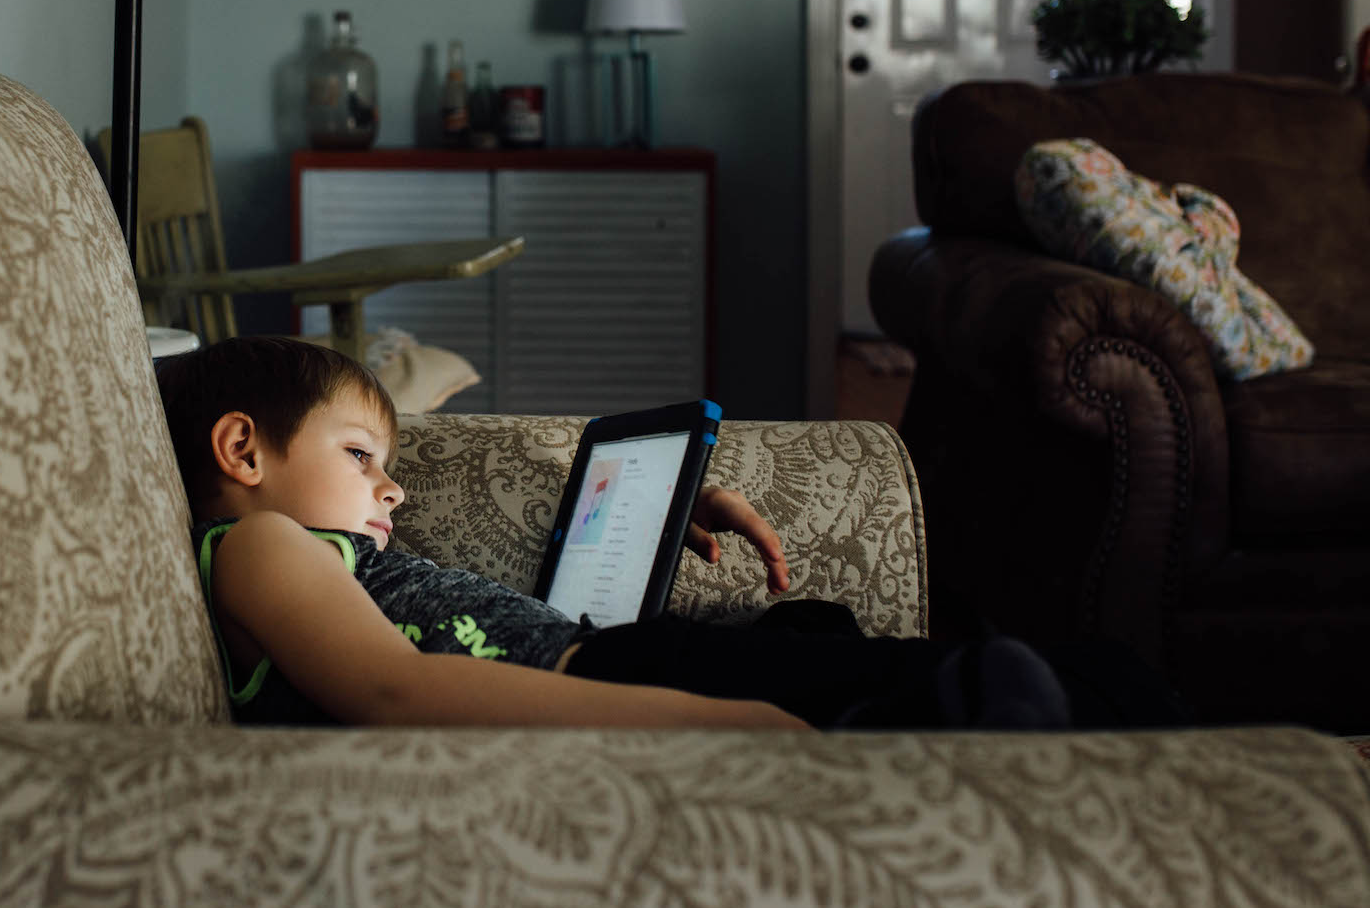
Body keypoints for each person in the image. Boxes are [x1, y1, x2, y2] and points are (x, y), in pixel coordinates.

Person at [155, 337, 1172, 731]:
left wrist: (649, 508)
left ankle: (964, 705)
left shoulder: (326, 550)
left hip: (598, 654)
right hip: (603, 678)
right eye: (358, 455)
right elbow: (395, 686)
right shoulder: (260, 546)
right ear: (242, 450)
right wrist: (708, 721)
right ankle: (969, 715)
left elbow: (450, 627)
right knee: (1100, 682)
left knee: (827, 642)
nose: (393, 489)